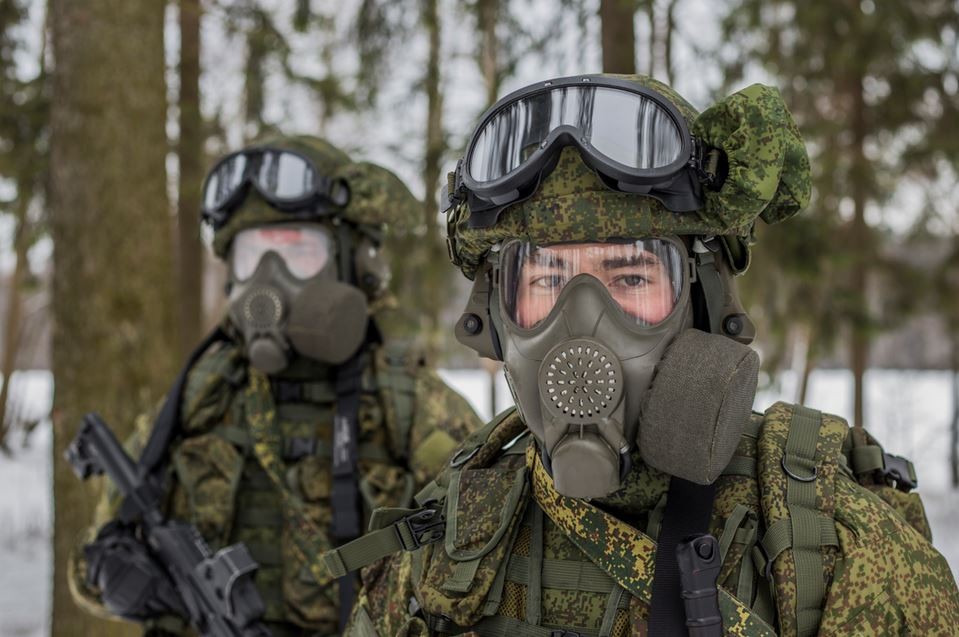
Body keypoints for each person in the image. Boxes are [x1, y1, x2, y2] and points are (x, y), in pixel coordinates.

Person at [333, 75, 959, 636]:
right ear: (498, 319)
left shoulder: (829, 542)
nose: (579, 327)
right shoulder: (452, 528)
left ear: (704, 297)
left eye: (630, 278)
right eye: (546, 281)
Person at [68, 136, 482, 636]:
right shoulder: (200, 396)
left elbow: (489, 577)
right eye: (253, 256)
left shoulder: (412, 404)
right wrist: (121, 577)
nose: (270, 280)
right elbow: (91, 560)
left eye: (297, 253)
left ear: (355, 262)